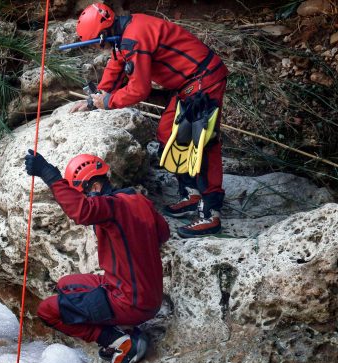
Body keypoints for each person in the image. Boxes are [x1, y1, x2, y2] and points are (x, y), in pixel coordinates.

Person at [69, 3, 229, 238]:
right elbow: (116, 66)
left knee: (202, 144)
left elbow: (139, 90)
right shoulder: (123, 36)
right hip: (186, 84)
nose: (96, 47)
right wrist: (95, 99)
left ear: (103, 34)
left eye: (95, 42)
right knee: (167, 134)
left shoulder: (134, 39)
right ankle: (191, 193)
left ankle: (211, 212)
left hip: (204, 80)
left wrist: (108, 101)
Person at [24, 149, 169, 363]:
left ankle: (120, 341)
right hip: (145, 293)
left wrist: (48, 173)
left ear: (95, 187)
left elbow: (82, 212)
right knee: (66, 284)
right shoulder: (139, 200)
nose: (84, 198)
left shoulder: (111, 207)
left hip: (130, 300)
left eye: (83, 193)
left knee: (47, 310)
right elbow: (164, 233)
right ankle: (123, 331)